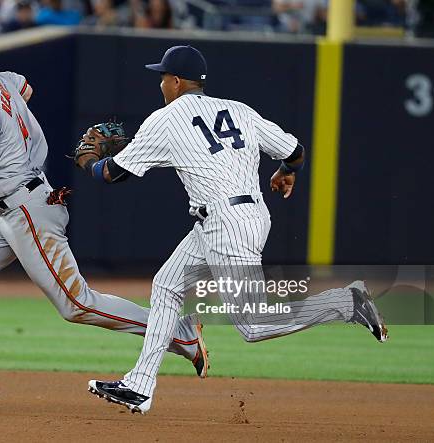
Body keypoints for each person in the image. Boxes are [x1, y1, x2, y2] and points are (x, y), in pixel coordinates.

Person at [79, 45, 389, 414]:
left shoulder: (164, 119)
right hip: (236, 218)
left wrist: (89, 160)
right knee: (165, 286)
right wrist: (286, 171)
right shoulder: (239, 110)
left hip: (227, 226)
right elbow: (295, 151)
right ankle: (140, 385)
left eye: (163, 77)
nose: (161, 83)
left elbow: (112, 174)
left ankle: (345, 303)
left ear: (176, 82)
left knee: (253, 325)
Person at [0, 36, 207, 404]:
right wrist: (14, 133)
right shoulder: (0, 80)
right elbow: (25, 88)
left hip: (27, 209)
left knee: (76, 304)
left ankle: (180, 335)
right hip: (8, 207)